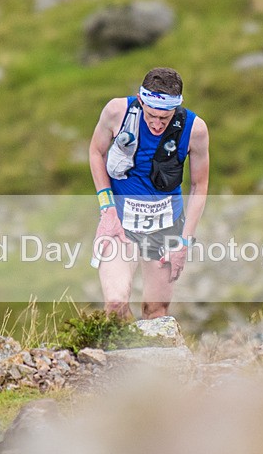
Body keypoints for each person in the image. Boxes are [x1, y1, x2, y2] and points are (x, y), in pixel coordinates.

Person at [89, 67, 210, 319]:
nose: (156, 124)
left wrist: (184, 242)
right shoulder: (117, 112)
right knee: (114, 303)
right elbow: (96, 152)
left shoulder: (195, 129)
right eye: (151, 115)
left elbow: (200, 186)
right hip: (120, 221)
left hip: (165, 227)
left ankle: (151, 358)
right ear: (140, 100)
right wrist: (106, 208)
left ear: (176, 108)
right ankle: (124, 357)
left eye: (164, 119)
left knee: (156, 310)